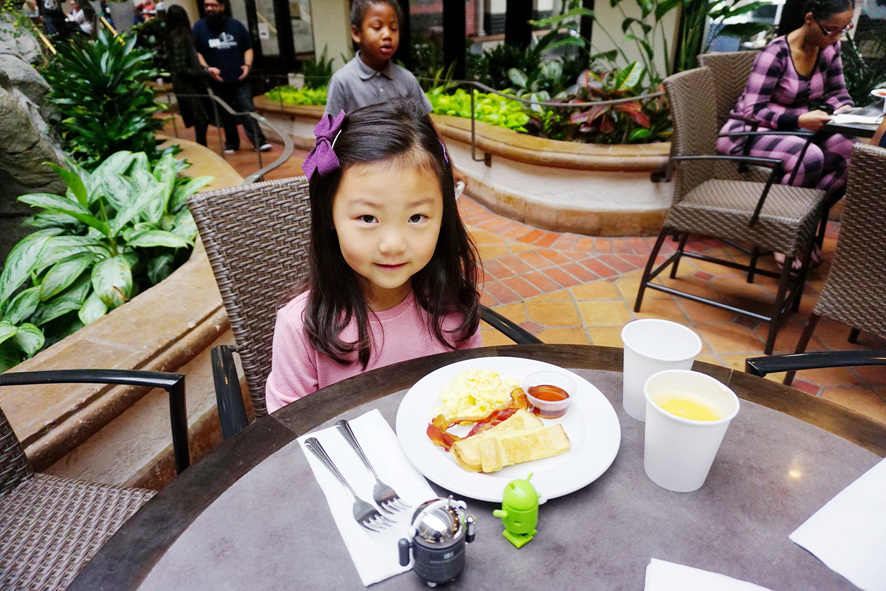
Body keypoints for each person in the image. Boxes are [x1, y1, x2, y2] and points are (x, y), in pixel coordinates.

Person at [265, 98, 482, 412]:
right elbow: (287, 429)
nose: (393, 244)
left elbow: (474, 394)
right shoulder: (300, 326)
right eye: (368, 218)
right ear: (329, 216)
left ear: (444, 216)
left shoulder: (453, 305)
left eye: (417, 217)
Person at [718, 0, 858, 267]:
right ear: (809, 19)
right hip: (746, 132)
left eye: (844, 29)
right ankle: (781, 236)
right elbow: (753, 111)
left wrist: (848, 110)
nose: (837, 36)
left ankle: (799, 228)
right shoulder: (776, 53)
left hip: (795, 132)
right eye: (831, 29)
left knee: (853, 154)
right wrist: (800, 120)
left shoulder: (829, 48)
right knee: (809, 157)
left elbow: (839, 93)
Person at [323, 0, 432, 117]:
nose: (387, 35)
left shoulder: (407, 80)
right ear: (356, 33)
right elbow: (329, 132)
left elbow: (426, 124)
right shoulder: (342, 82)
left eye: (393, 28)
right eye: (377, 27)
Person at [192, 0, 271, 154]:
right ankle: (232, 144)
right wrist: (208, 68)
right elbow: (197, 52)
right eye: (207, 5)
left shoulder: (236, 25)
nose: (209, 8)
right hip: (217, 80)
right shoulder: (199, 27)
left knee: (248, 110)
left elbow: (248, 48)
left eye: (213, 5)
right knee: (225, 113)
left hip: (239, 78)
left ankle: (259, 142)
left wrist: (247, 65)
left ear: (222, 7)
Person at [165, 6, 213, 146]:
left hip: (188, 85)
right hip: (188, 87)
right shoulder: (179, 40)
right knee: (201, 119)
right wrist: (204, 73)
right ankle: (202, 147)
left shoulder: (175, 38)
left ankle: (202, 146)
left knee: (201, 119)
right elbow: (181, 68)